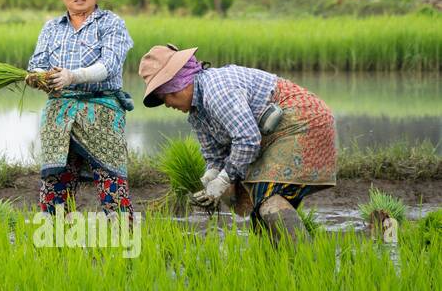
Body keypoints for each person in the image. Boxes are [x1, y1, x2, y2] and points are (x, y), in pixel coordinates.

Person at [138, 45, 337, 239]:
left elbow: (248, 139)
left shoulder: (216, 91)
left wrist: (224, 180)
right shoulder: (196, 113)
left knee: (266, 200)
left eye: (165, 98)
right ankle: (279, 262)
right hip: (274, 133)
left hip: (302, 120)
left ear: (178, 87)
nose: (168, 105)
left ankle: (306, 257)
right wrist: (210, 179)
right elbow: (215, 155)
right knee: (260, 212)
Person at [26, 0, 135, 217]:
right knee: (54, 187)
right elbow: (36, 63)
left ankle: (123, 247)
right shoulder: (51, 28)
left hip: (101, 113)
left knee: (112, 185)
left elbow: (109, 65)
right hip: (59, 116)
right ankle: (53, 248)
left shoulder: (111, 24)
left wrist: (73, 76)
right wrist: (39, 77)